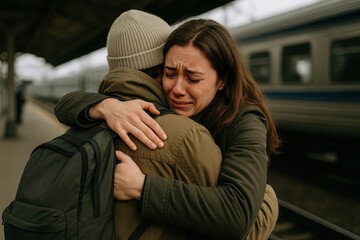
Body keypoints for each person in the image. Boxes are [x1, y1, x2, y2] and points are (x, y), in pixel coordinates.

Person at [54, 14, 279, 240]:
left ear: (222, 80)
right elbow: (64, 106)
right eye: (170, 74)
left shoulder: (245, 120)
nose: (177, 89)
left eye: (193, 78)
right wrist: (104, 106)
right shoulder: (152, 108)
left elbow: (237, 215)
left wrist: (142, 187)